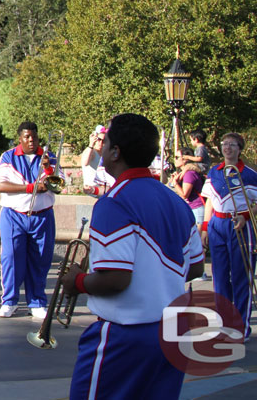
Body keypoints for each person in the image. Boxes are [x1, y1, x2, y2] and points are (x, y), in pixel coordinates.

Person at [63, 113, 204, 400]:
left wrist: (76, 281)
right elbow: (196, 267)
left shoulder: (114, 202)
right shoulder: (177, 202)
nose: (101, 147)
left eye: (106, 142)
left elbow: (116, 279)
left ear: (115, 152)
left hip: (125, 337)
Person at [0, 121, 63, 320]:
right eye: (26, 137)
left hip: (42, 215)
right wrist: (30, 188)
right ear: (20, 138)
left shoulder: (49, 156)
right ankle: (9, 301)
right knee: (12, 258)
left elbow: (59, 185)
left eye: (34, 136)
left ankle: (37, 302)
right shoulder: (8, 156)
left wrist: (49, 169)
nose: (31, 140)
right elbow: (0, 185)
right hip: (14, 215)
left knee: (41, 259)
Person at [200, 132, 256, 340]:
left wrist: (244, 217)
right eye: (225, 144)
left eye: (232, 145)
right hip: (217, 224)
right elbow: (209, 201)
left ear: (239, 149)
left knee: (241, 277)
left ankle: (241, 327)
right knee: (220, 277)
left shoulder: (249, 174)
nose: (227, 148)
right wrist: (205, 228)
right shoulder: (214, 172)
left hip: (240, 225)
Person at [80, 125, 115, 195]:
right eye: (99, 139)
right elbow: (85, 163)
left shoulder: (105, 153)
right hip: (91, 189)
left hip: (103, 189)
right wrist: (91, 144)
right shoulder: (91, 151)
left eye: (103, 140)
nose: (101, 143)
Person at [172, 163, 206, 227]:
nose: (175, 159)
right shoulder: (187, 173)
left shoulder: (189, 174)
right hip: (194, 208)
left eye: (177, 157)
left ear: (185, 159)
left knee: (198, 236)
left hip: (197, 208)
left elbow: (184, 195)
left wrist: (175, 183)